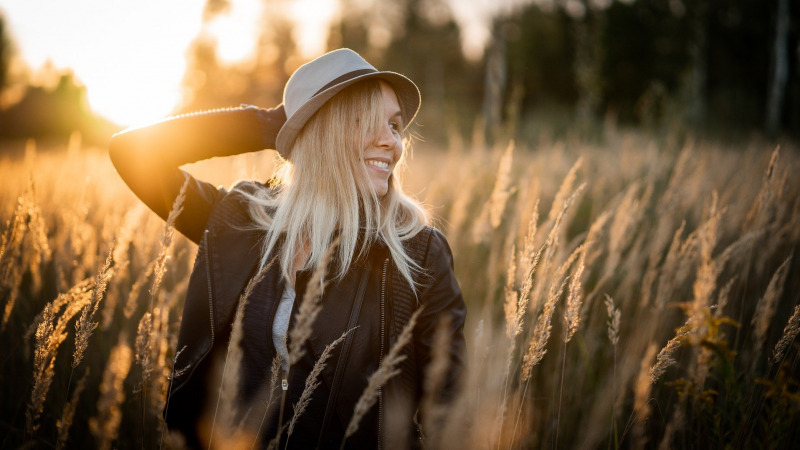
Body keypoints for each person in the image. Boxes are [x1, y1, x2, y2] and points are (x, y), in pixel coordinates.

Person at [109, 48, 466, 449]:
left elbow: (449, 410)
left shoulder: (418, 253)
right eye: (369, 121)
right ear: (321, 130)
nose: (392, 142)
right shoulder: (241, 222)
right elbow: (131, 152)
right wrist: (274, 125)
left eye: (395, 124)